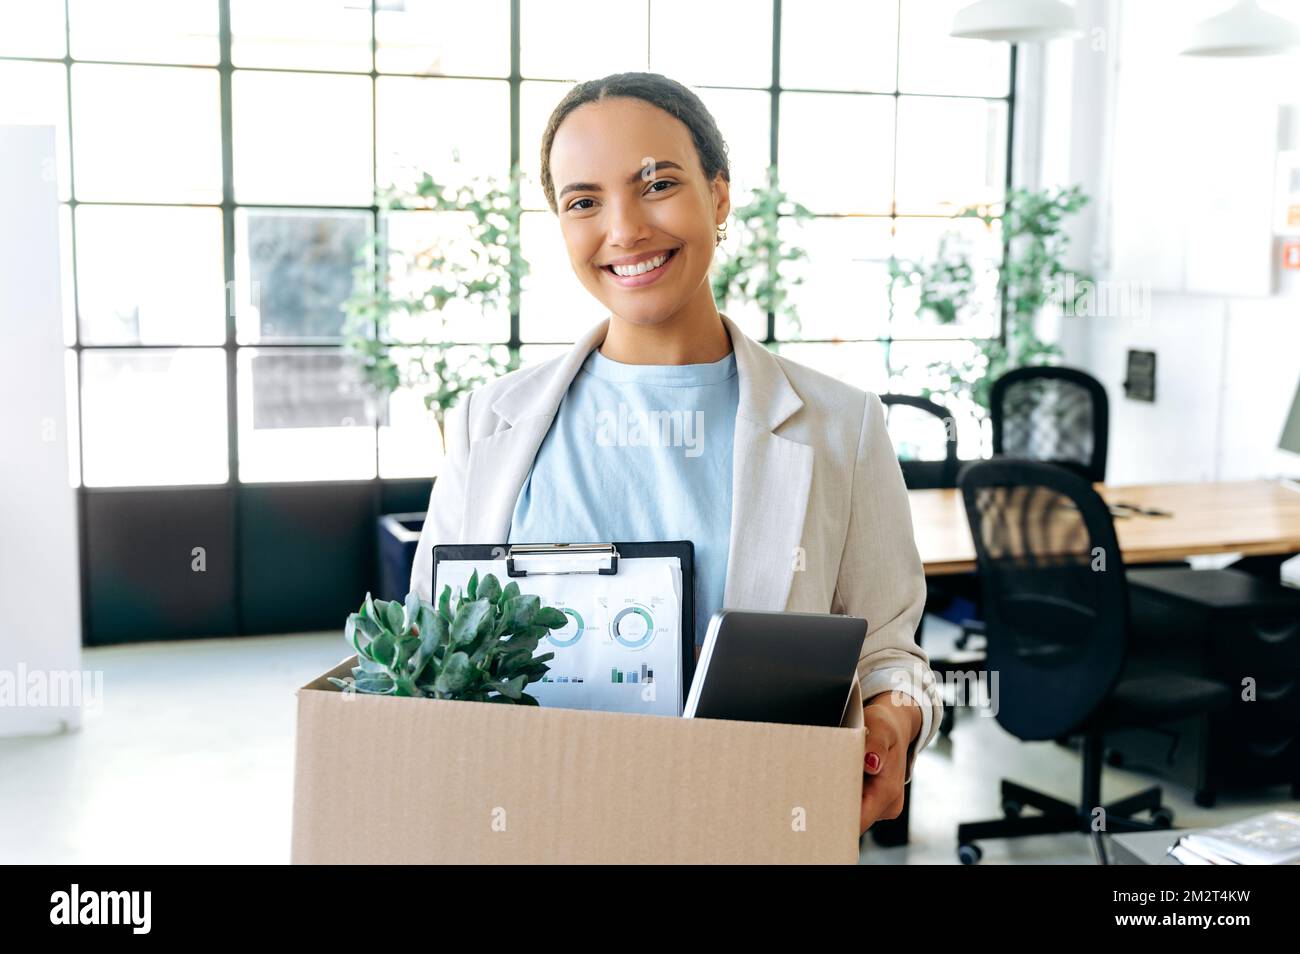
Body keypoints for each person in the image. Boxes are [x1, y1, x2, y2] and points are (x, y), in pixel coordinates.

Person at [411, 71, 941, 835]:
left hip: (747, 827)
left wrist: (895, 726)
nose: (624, 229)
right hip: (530, 827)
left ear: (719, 197)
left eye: (657, 183)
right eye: (583, 201)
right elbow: (434, 643)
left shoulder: (842, 427)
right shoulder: (486, 423)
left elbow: (892, 653)